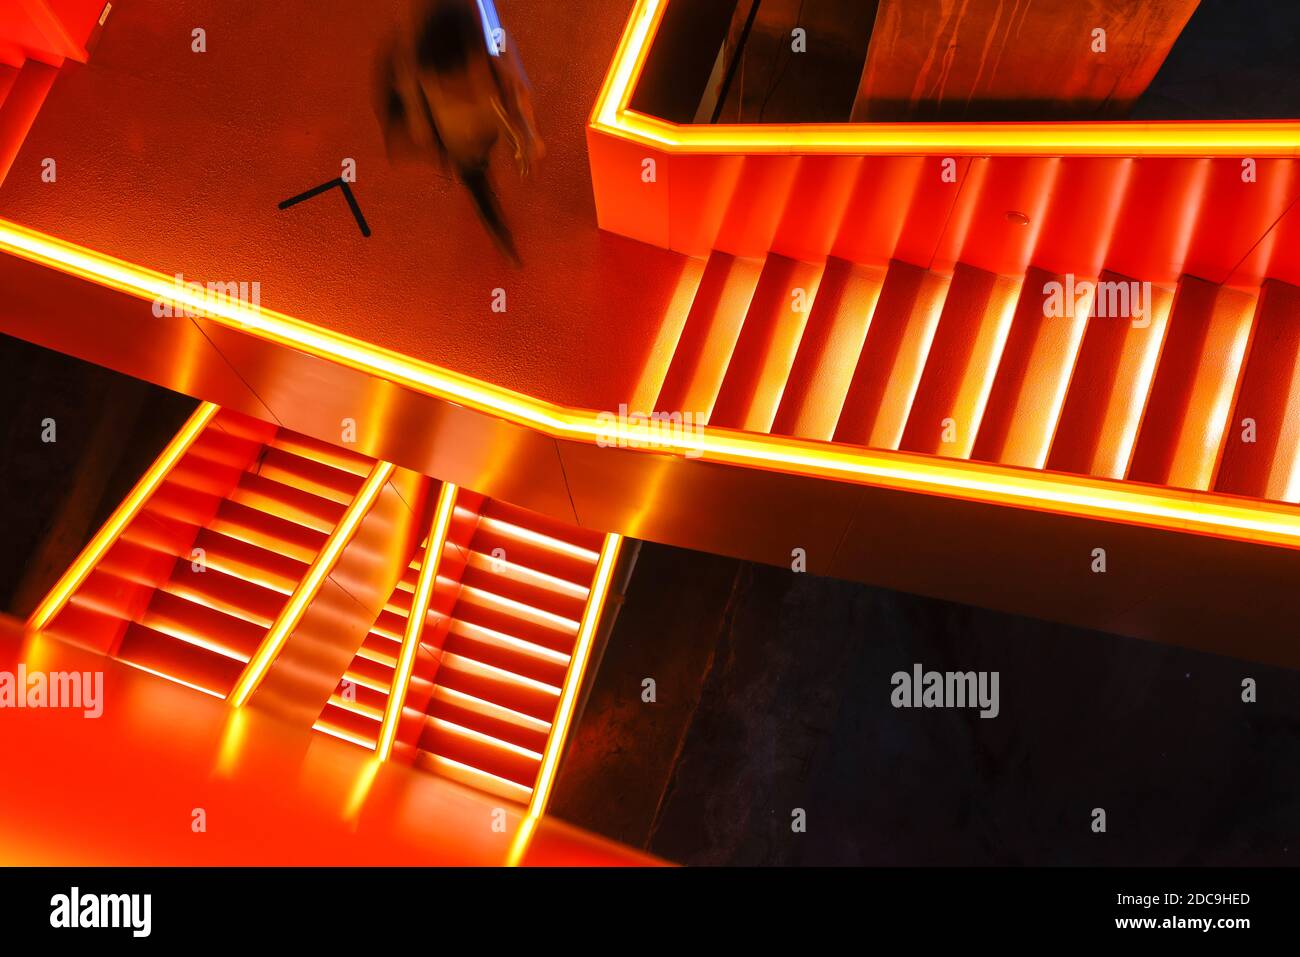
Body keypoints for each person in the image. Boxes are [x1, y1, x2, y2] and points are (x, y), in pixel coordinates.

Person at [375, 0, 544, 266]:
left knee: (479, 163)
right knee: (475, 179)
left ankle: (489, 205)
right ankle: (496, 227)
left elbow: (516, 91)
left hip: (482, 131)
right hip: (457, 145)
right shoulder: (415, 67)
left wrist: (526, 134)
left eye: (466, 77)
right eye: (449, 84)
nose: (462, 90)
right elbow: (414, 110)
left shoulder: (493, 47)